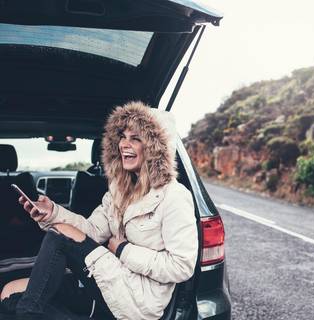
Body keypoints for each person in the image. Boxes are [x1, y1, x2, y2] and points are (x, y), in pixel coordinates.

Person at [0, 101, 198, 319]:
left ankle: (30, 312)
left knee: (59, 235)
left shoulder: (175, 196)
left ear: (155, 148)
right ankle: (30, 311)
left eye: (135, 138)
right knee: (10, 292)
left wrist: (123, 250)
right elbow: (92, 230)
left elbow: (181, 266)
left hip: (139, 301)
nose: (124, 144)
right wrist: (53, 213)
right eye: (122, 137)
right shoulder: (118, 192)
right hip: (109, 281)